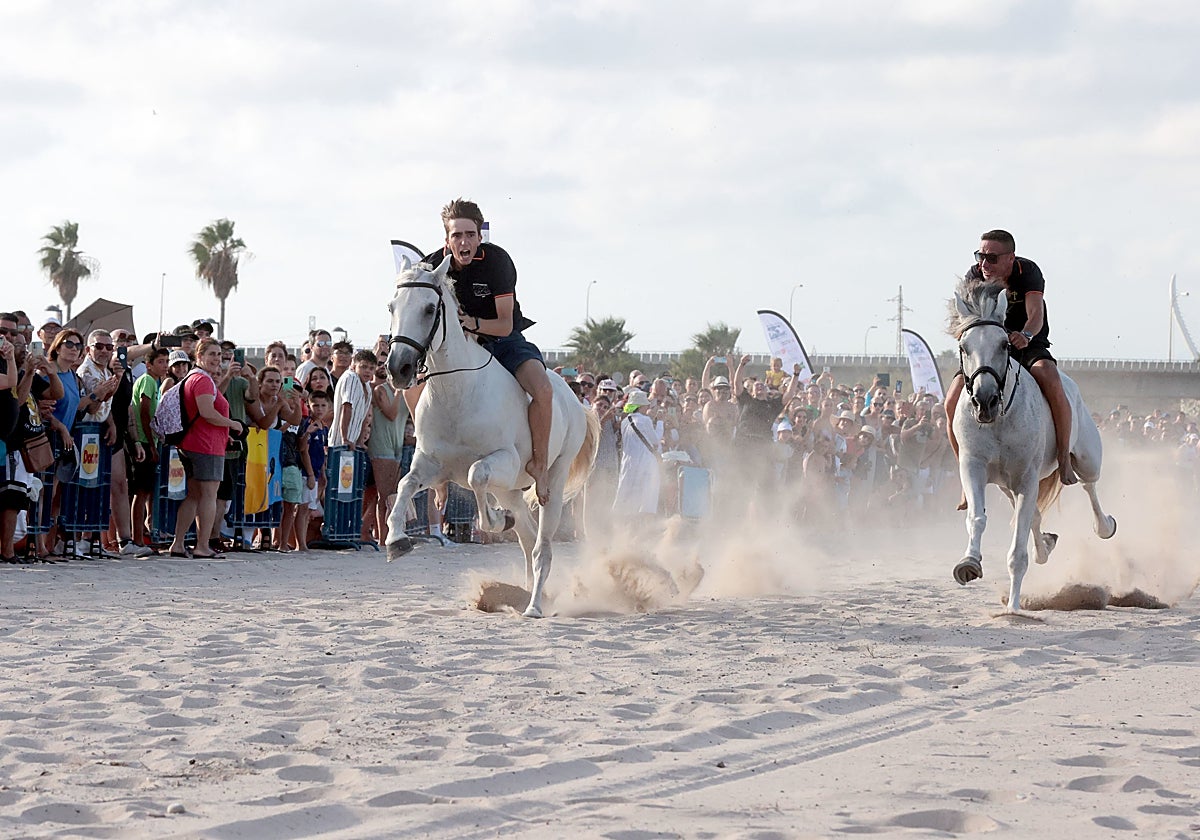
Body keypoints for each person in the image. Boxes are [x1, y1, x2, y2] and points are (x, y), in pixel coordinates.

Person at [422, 198, 554, 505]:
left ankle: (540, 465)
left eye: (470, 234)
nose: (464, 241)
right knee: (411, 388)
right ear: (447, 240)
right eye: (457, 235)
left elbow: (505, 324)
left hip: (502, 338)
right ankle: (434, 469)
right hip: (457, 348)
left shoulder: (497, 261)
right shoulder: (431, 266)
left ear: (480, 237)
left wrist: (473, 323)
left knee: (544, 390)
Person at [943, 229, 1077, 510]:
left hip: (1026, 341)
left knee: (1049, 376)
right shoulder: (973, 276)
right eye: (980, 256)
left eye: (991, 258)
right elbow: (963, 321)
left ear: (1010, 258)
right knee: (950, 401)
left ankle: (1063, 457)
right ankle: (966, 480)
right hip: (988, 351)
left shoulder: (1027, 271)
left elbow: (1036, 313)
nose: (984, 264)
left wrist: (1026, 335)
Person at [166, 338, 244, 559]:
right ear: (199, 357)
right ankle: (202, 545)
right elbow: (207, 412)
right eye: (212, 354)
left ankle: (179, 544)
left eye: (219, 355)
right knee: (209, 495)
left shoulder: (195, 378)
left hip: (195, 443)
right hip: (205, 445)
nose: (217, 359)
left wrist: (225, 433)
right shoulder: (202, 380)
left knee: (194, 495)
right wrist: (233, 424)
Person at [612, 390, 660, 519]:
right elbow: (655, 442)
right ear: (641, 406)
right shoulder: (645, 420)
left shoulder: (624, 422)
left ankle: (622, 523)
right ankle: (643, 525)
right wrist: (659, 423)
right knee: (647, 495)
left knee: (626, 493)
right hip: (646, 461)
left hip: (628, 462)